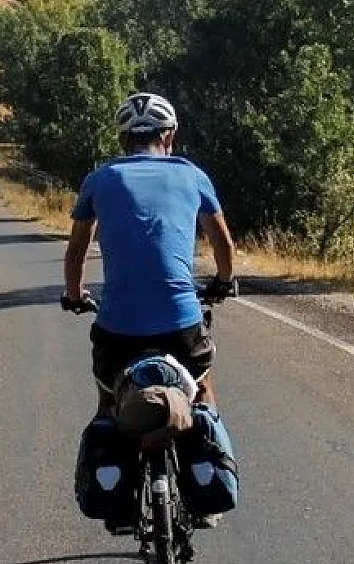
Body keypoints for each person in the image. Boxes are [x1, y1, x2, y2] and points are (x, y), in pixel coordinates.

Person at [60, 92, 237, 418]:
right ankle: (221, 464)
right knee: (203, 394)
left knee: (110, 404)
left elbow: (75, 255)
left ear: (123, 138)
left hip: (118, 329)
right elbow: (224, 245)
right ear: (169, 135)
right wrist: (223, 282)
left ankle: (106, 460)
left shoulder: (99, 179)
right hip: (180, 325)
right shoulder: (192, 175)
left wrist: (75, 295)